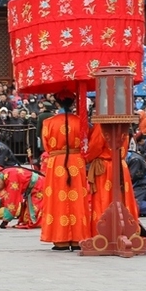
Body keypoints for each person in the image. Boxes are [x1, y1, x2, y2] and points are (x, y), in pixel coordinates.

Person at [40, 90, 90, 251]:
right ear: (73, 103)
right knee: (78, 198)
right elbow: (85, 142)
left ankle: (60, 239)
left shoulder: (49, 122)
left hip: (56, 163)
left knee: (57, 198)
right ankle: (78, 238)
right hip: (77, 162)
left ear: (57, 103)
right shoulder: (81, 121)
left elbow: (46, 146)